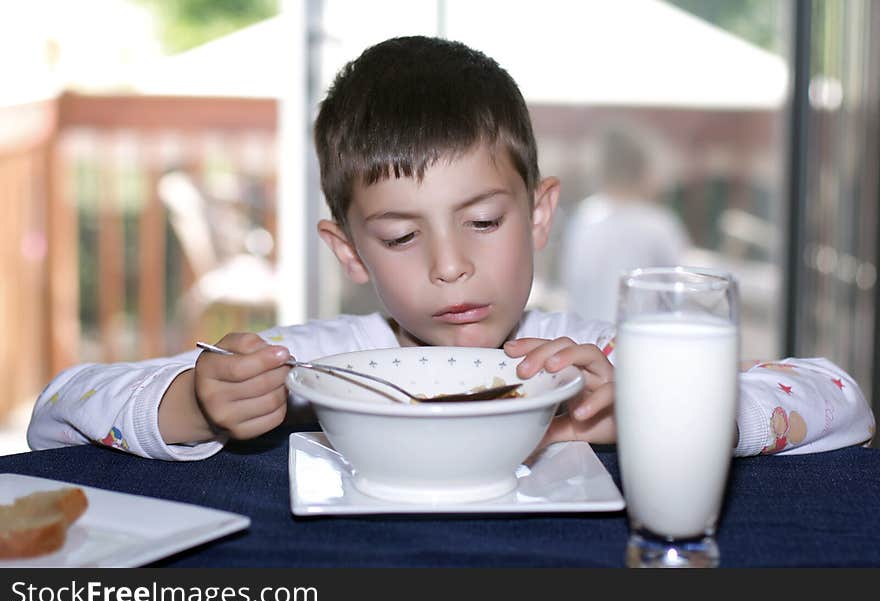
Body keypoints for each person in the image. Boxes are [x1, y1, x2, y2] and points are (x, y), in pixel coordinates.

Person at [27, 36, 874, 461]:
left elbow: (841, 397)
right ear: (349, 251)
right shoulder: (317, 368)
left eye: (483, 221)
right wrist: (193, 403)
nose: (448, 265)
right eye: (400, 235)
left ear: (540, 215)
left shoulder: (585, 364)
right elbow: (54, 415)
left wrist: (657, 412)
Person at [561, 127, 691, 324]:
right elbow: (684, 290)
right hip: (639, 341)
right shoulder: (657, 224)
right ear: (644, 171)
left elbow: (570, 283)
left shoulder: (583, 217)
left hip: (584, 340)